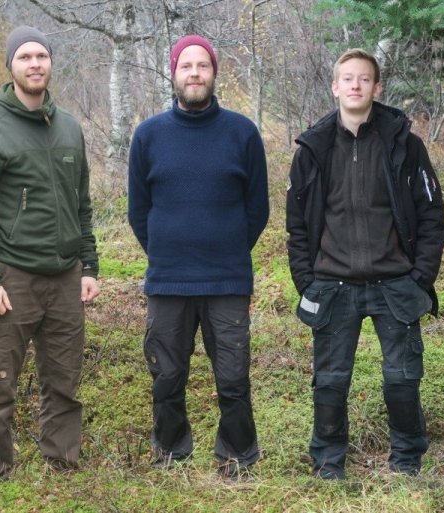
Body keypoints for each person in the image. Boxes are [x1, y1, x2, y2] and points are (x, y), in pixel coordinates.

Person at [286, 48, 444, 480]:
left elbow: (432, 216)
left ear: (377, 88)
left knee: (402, 378)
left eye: (364, 79)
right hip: (333, 285)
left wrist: (419, 278)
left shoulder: (404, 146)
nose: (355, 85)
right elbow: (296, 225)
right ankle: (328, 462)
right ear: (335, 87)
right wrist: (307, 281)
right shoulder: (312, 149)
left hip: (395, 283)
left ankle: (407, 460)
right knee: (331, 383)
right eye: (347, 78)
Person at [0, 25, 100, 491]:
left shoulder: (70, 127)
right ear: (11, 66)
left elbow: (82, 204)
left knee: (64, 383)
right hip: (11, 278)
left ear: (51, 63)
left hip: (64, 279)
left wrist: (89, 266)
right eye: (25, 57)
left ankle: (62, 470)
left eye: (42, 55)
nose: (35, 63)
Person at [127, 35, 269, 479]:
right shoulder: (148, 135)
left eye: (202, 65)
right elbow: (137, 211)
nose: (194, 73)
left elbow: (257, 209)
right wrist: (170, 250)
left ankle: (237, 455)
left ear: (214, 73)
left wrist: (223, 248)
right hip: (168, 281)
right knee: (167, 377)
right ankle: (171, 451)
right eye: (186, 65)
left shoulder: (242, 132)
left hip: (227, 279)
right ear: (173, 73)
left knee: (233, 377)